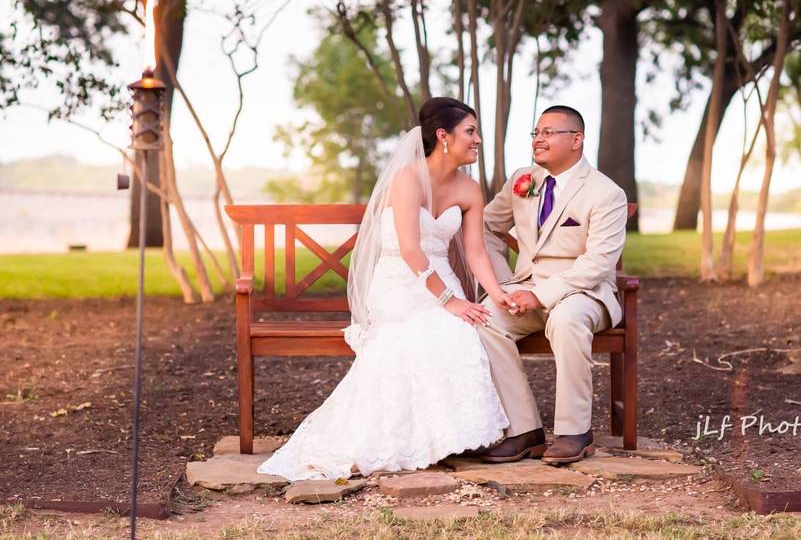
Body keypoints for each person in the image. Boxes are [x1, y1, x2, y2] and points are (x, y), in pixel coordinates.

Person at [258, 97, 513, 481]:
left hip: (441, 278)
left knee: (463, 330)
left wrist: (496, 294)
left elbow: (476, 252)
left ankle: (444, 437)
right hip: (400, 282)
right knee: (425, 331)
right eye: (471, 131)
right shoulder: (408, 178)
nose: (477, 140)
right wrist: (451, 300)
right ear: (443, 136)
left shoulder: (470, 189)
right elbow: (411, 250)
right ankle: (404, 438)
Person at [477, 105, 628, 464]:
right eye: (536, 132)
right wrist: (502, 285)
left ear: (576, 140)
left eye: (548, 132)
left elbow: (597, 264)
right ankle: (524, 429)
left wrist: (540, 295)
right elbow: (483, 228)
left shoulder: (606, 193)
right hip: (525, 288)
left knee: (566, 320)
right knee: (483, 320)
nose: (538, 139)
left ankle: (575, 431)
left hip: (584, 293)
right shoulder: (522, 180)